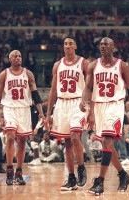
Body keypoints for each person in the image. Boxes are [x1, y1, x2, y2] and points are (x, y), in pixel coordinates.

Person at [80, 37, 129, 195]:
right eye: (101, 44)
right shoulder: (93, 65)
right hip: (99, 106)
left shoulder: (122, 66)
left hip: (115, 105)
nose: (103, 46)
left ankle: (99, 182)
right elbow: (88, 87)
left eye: (106, 43)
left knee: (107, 141)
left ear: (113, 46)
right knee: (106, 145)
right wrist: (84, 101)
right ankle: (123, 174)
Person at [0, 50, 44, 186]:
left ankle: (19, 172)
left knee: (22, 141)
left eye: (19, 55)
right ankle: (9, 170)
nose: (18, 57)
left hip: (25, 109)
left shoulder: (28, 74)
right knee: (10, 137)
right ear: (10, 59)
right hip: (9, 108)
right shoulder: (4, 74)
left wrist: (41, 113)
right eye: (14, 56)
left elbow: (35, 94)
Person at [45, 37, 88, 191]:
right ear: (63, 47)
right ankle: (71, 178)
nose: (68, 46)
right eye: (65, 44)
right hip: (61, 103)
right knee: (67, 143)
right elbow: (53, 90)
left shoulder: (83, 63)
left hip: (78, 102)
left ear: (75, 46)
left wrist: (88, 102)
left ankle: (81, 167)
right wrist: (48, 113)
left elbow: (90, 85)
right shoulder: (57, 65)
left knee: (75, 136)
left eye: (71, 43)